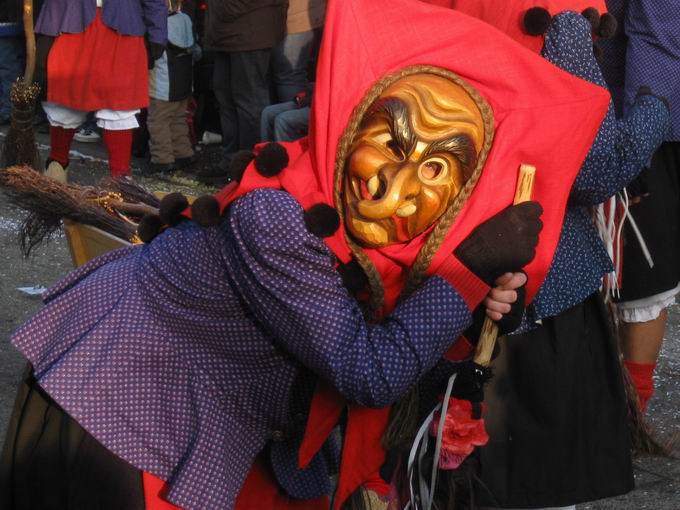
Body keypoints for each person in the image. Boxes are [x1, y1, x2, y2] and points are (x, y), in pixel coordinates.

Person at [1, 0, 613, 508]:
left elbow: (404, 337)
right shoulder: (279, 215)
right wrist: (466, 272)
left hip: (228, 409)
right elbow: (368, 371)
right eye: (386, 145)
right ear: (349, 125)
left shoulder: (400, 242)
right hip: (125, 405)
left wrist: (474, 292)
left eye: (432, 167)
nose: (391, 189)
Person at [433, 3, 669, 509]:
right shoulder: (554, 18)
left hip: (434, 284)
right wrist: (654, 109)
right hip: (539, 286)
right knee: (536, 486)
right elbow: (596, 167)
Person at [606, 0, 680, 413]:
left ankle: (629, 419)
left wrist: (637, 146)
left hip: (643, 116)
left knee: (641, 278)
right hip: (628, 112)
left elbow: (657, 38)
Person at [35, 0, 167, 182]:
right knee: (64, 100)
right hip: (70, 21)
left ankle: (120, 182)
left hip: (124, 26)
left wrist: (157, 34)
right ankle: (56, 167)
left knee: (120, 104)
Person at [200, 0, 287, 178]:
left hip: (250, 28)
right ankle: (233, 161)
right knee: (226, 98)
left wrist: (225, 8)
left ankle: (250, 164)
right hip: (228, 29)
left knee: (249, 101)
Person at [145, 0, 201, 175]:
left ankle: (162, 159)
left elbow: (153, 53)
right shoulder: (185, 19)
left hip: (162, 85)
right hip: (184, 83)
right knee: (178, 119)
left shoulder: (158, 24)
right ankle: (183, 152)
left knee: (158, 122)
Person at [271, 0, 325, 104]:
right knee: (292, 77)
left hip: (293, 17)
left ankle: (294, 117)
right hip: (310, 12)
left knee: (289, 78)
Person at [0, 0, 24, 126]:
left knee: (8, 69)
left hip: (8, 21)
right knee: (8, 69)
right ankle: (7, 109)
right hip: (8, 20)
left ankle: (9, 110)